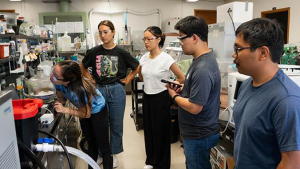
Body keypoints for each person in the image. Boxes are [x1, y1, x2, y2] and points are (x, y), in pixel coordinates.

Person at [232, 18, 300, 169]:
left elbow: (292, 164)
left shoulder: (287, 100)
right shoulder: (248, 84)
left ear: (263, 53)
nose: (233, 54)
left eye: (238, 49)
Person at [81, 20, 140, 167]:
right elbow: (83, 66)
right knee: (99, 125)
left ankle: (111, 153)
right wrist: (90, 79)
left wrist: (128, 79)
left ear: (113, 32)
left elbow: (137, 66)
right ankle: (101, 153)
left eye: (105, 32)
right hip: (98, 90)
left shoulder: (121, 52)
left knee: (115, 124)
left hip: (116, 90)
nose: (102, 35)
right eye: (100, 32)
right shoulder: (94, 52)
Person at [166, 16, 221, 169]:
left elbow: (195, 107)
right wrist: (183, 89)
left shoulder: (203, 68)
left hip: (199, 134)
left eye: (182, 39)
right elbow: (198, 91)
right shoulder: (198, 60)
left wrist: (174, 95)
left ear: (195, 37)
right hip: (196, 132)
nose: (180, 43)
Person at [50, 61, 113, 169]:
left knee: (103, 147)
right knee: (91, 144)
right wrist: (60, 102)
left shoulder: (78, 91)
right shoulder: (60, 83)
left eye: (55, 76)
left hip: (97, 111)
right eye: (52, 72)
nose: (51, 77)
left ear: (67, 81)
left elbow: (86, 114)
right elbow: (62, 97)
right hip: (84, 110)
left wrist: (65, 109)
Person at [139, 26, 185, 169]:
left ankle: (162, 164)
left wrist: (173, 85)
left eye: (149, 39)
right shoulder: (144, 57)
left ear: (158, 39)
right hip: (147, 96)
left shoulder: (166, 58)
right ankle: (150, 161)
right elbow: (141, 76)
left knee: (161, 132)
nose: (146, 42)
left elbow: (181, 77)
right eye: (144, 39)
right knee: (149, 131)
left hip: (161, 98)